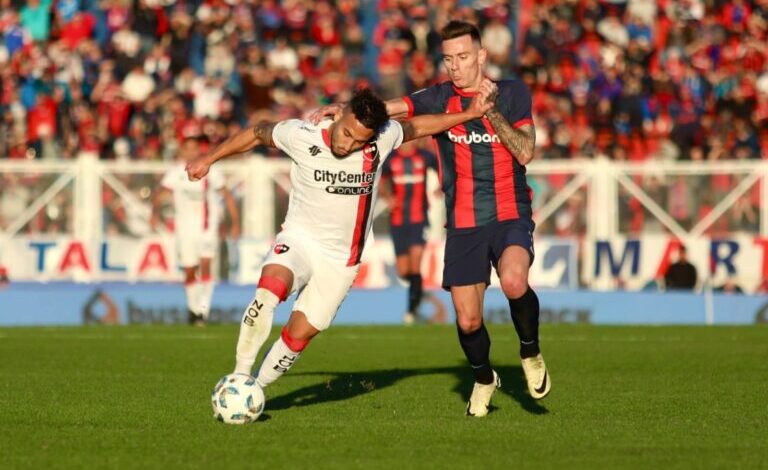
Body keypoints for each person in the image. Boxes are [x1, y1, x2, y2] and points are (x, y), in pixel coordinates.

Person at [185, 88, 496, 394]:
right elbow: (257, 132)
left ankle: (256, 388)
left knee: (298, 336)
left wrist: (468, 114)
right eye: (347, 133)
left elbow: (417, 126)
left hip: (341, 261)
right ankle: (240, 376)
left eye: (359, 140)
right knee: (268, 292)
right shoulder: (302, 135)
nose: (348, 145)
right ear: (340, 113)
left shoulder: (380, 140)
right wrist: (209, 159)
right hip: (300, 239)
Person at [311, 21, 549, 417]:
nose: (456, 66)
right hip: (463, 220)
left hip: (510, 212)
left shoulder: (512, 93)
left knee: (513, 280)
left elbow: (525, 151)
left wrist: (490, 115)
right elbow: (390, 108)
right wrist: (349, 111)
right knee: (468, 320)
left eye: (464, 57)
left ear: (481, 56)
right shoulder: (439, 97)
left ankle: (530, 351)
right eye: (449, 59)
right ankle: (483, 376)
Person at [154, 136, 240, 325]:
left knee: (206, 265)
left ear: (199, 150)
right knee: (190, 270)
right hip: (184, 228)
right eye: (187, 149)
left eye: (194, 148)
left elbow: (227, 196)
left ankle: (203, 311)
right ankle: (193, 310)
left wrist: (235, 223)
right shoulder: (176, 172)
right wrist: (154, 214)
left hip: (207, 226)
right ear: (182, 151)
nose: (191, 152)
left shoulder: (211, 171)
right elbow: (160, 194)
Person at [379, 138, 439, 324]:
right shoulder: (391, 159)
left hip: (419, 219)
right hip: (398, 220)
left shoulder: (425, 157)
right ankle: (417, 292)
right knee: (404, 271)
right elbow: (381, 181)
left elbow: (443, 168)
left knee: (415, 265)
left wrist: (441, 187)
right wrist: (388, 197)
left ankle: (411, 311)